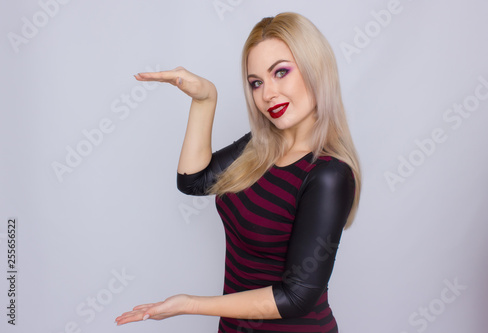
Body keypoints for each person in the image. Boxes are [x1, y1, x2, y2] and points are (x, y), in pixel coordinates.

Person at [115, 12, 361, 333]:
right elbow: (194, 181)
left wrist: (189, 304)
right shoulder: (260, 147)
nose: (267, 93)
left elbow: (296, 296)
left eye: (281, 72)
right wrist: (205, 99)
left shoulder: (329, 174)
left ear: (317, 70)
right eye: (256, 82)